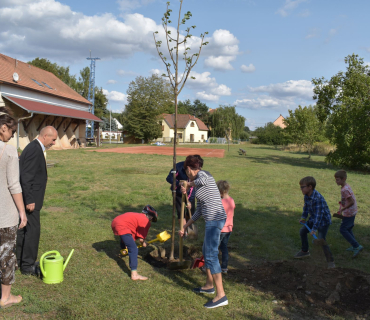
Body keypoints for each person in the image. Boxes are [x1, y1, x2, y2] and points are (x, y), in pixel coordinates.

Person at [179, 155, 228, 309]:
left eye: (186, 171)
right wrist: (186, 225)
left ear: (188, 169)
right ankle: (209, 285)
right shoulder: (198, 186)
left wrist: (188, 184)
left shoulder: (203, 175)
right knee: (206, 251)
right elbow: (199, 210)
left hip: (215, 219)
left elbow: (203, 180)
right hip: (210, 220)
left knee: (211, 255)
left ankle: (221, 296)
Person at [16, 126, 58, 275]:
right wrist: (30, 199)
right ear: (45, 136)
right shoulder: (34, 149)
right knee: (33, 231)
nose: (54, 143)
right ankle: (27, 265)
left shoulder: (34, 147)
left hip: (29, 198)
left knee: (23, 229)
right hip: (31, 200)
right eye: (53, 139)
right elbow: (26, 176)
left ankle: (19, 261)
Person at [0, 107, 27, 308]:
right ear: (3, 128)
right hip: (5, 214)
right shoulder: (7, 150)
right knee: (6, 254)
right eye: (12, 132)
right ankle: (6, 297)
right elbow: (13, 184)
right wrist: (22, 212)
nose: (12, 136)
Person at [295, 176, 335, 269]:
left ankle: (330, 261)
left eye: (302, 187)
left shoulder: (318, 199)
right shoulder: (306, 196)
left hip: (323, 221)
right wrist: (303, 217)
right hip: (314, 218)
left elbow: (319, 216)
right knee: (302, 231)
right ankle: (305, 251)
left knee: (321, 240)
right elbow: (306, 208)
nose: (301, 189)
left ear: (310, 187)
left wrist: (314, 229)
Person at [111, 205, 158, 281]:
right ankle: (134, 274)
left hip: (115, 221)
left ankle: (124, 249)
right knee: (133, 249)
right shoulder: (146, 221)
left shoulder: (137, 216)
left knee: (127, 238)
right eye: (152, 219)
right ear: (151, 216)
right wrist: (144, 243)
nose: (151, 220)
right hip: (122, 225)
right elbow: (141, 239)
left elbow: (133, 234)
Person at [166, 156, 202, 231]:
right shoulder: (178, 167)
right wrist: (178, 183)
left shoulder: (196, 171)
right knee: (180, 212)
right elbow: (169, 178)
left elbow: (193, 187)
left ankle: (189, 228)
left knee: (191, 211)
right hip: (178, 193)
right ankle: (184, 231)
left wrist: (189, 200)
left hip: (190, 192)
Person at [334, 170, 363, 258]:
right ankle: (355, 245)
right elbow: (348, 200)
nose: (336, 181)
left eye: (338, 179)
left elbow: (351, 201)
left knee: (343, 229)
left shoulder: (344, 189)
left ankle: (356, 246)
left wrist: (343, 209)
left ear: (344, 179)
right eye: (335, 179)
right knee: (349, 228)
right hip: (352, 211)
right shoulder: (346, 186)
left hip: (349, 212)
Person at [216, 180, 235, 275]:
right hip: (229, 229)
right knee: (224, 248)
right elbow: (232, 214)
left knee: (214, 248)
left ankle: (210, 266)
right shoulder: (231, 200)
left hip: (221, 229)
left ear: (220, 191)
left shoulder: (220, 202)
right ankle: (224, 267)